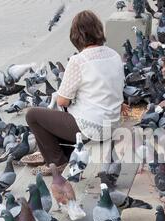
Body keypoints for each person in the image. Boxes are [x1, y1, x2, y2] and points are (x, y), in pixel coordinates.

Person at [25, 10, 125, 176]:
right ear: (99, 30)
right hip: (112, 124)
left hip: (92, 128)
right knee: (66, 114)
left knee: (33, 115)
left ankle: (57, 162)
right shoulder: (114, 55)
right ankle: (62, 152)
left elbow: (63, 101)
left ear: (76, 36)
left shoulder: (79, 60)